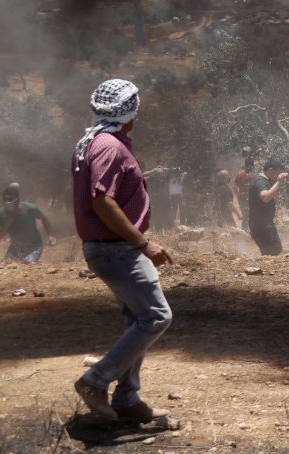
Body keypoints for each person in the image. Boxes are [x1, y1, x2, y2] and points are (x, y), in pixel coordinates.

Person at [71, 78, 173, 424]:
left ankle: (127, 399)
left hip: (112, 247)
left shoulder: (95, 142)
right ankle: (95, 381)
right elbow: (103, 203)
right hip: (116, 249)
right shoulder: (110, 147)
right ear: (130, 112)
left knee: (136, 318)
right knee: (156, 316)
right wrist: (143, 243)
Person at [0, 185, 56, 262]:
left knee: (27, 262)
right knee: (7, 265)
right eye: (4, 199)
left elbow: (44, 219)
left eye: (10, 199)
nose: (7, 202)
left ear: (18, 199)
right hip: (15, 247)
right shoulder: (1, 213)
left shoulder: (30, 208)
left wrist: (50, 235)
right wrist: (6, 225)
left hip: (34, 246)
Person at [248, 160, 288, 256]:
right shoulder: (260, 181)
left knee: (276, 249)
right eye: (278, 172)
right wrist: (278, 182)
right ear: (271, 170)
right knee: (270, 254)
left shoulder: (266, 180)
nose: (278, 175)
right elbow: (265, 197)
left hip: (266, 224)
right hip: (260, 225)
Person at [234, 157, 256, 230]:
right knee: (252, 216)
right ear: (253, 165)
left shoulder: (239, 174)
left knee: (245, 216)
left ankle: (244, 232)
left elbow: (234, 187)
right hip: (253, 199)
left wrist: (238, 197)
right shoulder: (254, 174)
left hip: (242, 199)